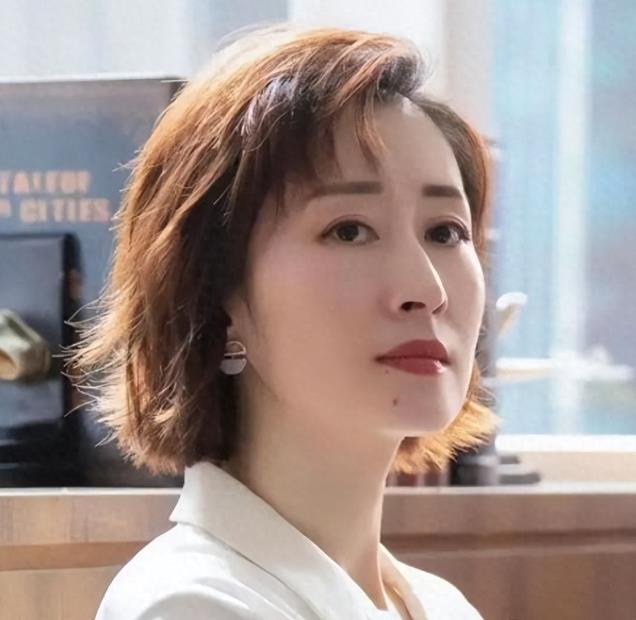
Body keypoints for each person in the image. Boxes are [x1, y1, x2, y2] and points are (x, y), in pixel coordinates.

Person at [66, 23, 500, 620]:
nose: (426, 290)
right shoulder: (194, 604)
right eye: (349, 231)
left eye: (445, 232)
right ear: (216, 289)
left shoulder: (440, 606)